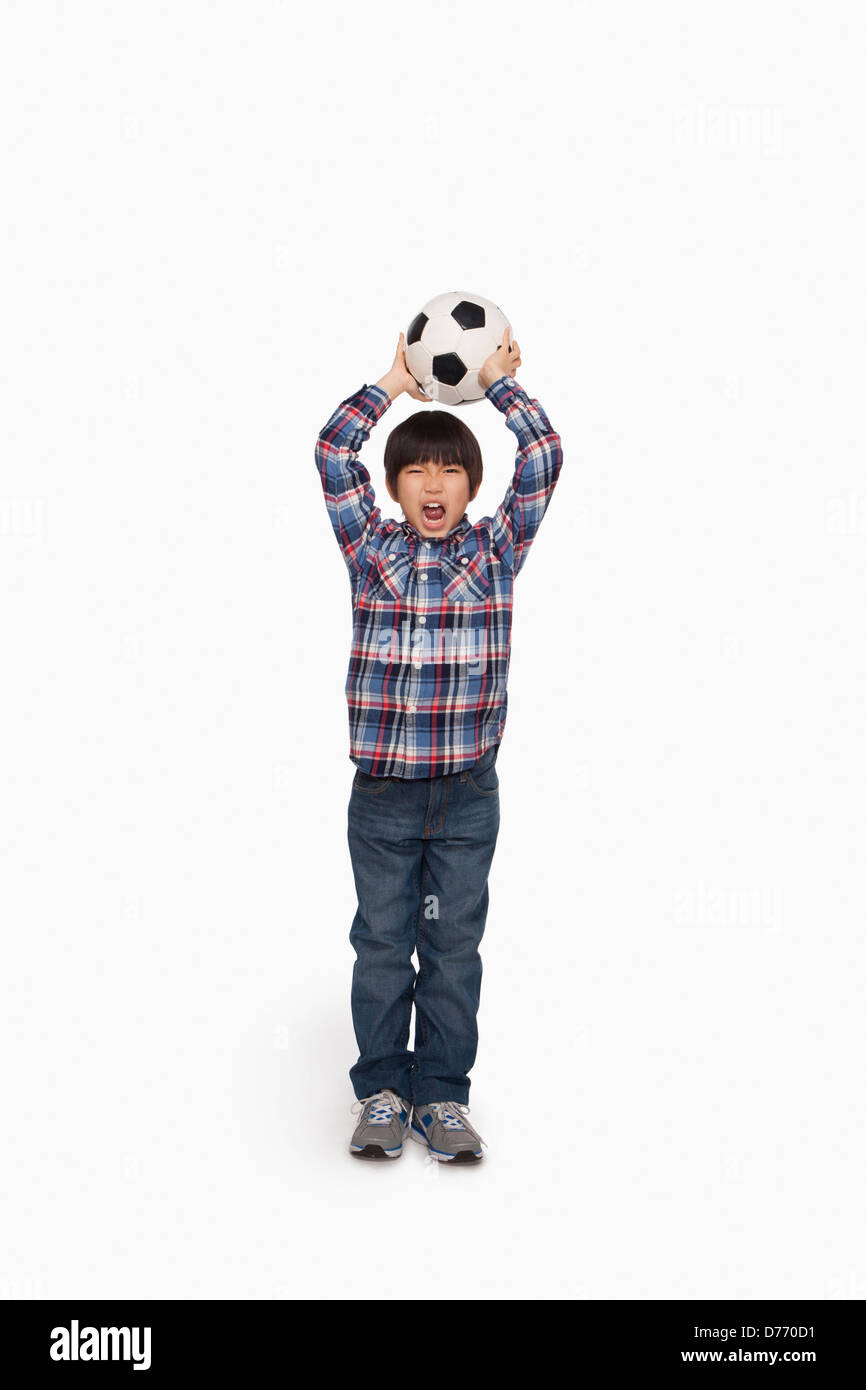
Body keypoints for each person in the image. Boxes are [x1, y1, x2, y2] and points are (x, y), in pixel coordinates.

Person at [315, 325, 563, 1163]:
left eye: (450, 469)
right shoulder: (371, 550)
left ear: (469, 487)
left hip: (465, 796)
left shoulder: (496, 551)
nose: (433, 481)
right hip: (383, 796)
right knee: (384, 943)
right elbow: (330, 449)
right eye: (415, 468)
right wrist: (393, 381)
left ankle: (442, 1099)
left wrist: (495, 383)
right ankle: (383, 1090)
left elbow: (545, 454)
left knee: (452, 947)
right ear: (392, 486)